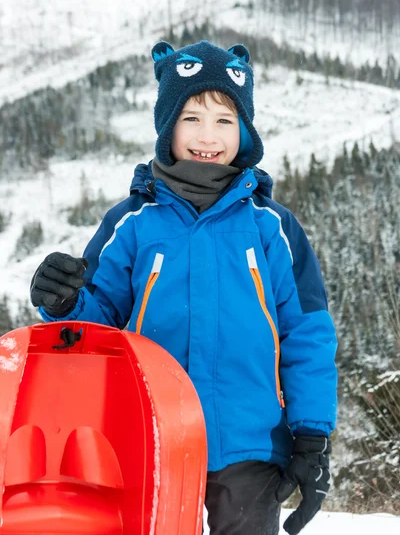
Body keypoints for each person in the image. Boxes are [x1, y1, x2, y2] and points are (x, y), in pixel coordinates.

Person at [30, 40, 338, 535]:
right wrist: (63, 301)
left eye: (224, 120)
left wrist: (312, 435)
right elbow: (96, 323)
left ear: (245, 130)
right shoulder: (133, 221)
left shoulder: (272, 227)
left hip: (250, 444)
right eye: (191, 118)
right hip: (153, 440)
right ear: (167, 126)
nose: (207, 135)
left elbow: (307, 333)